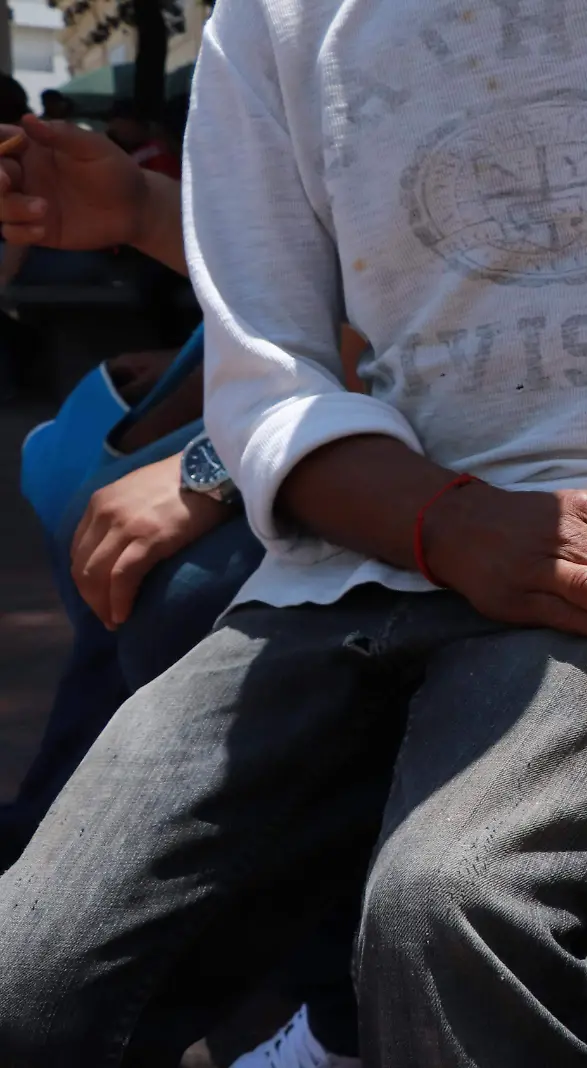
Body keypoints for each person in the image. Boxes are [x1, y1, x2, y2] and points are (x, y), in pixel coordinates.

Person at [0, 4, 587, 1068]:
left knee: (447, 906)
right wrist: (443, 521)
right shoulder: (275, 22)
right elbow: (265, 370)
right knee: (26, 979)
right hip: (344, 570)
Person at [0, 113, 369, 1067]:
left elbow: (412, 327)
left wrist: (221, 460)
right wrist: (142, 209)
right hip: (299, 416)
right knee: (103, 533)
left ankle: (336, 1014)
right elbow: (312, 271)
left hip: (447, 478)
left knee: (184, 591)